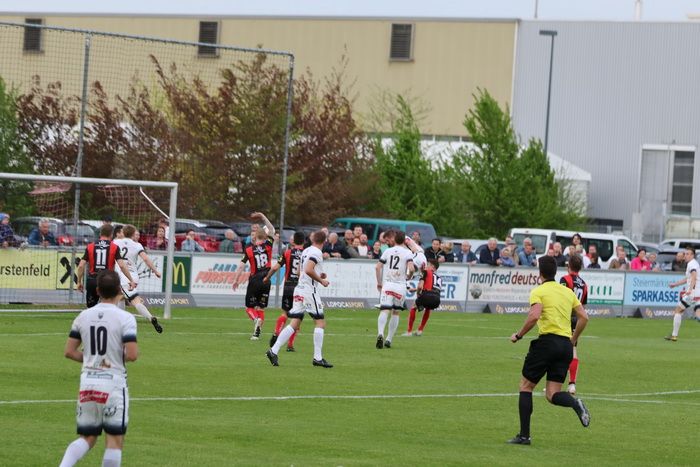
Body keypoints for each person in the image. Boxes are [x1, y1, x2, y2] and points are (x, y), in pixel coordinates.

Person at [507, 255, 590, 445]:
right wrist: (573, 339)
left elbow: (534, 316)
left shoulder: (539, 291)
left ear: (540, 273)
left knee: (526, 386)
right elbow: (584, 317)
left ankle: (524, 436)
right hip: (565, 346)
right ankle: (575, 403)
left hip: (547, 343)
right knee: (552, 394)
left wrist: (518, 335)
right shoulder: (567, 292)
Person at [59, 270, 138, 467]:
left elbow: (69, 351)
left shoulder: (83, 316)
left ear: (97, 291)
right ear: (119, 290)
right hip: (113, 383)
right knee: (114, 440)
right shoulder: (125, 318)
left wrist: (92, 360)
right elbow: (132, 354)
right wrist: (109, 359)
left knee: (87, 437)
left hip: (88, 383)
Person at [266, 230, 333, 368]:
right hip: (309, 291)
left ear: (313, 239)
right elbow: (308, 269)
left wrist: (318, 274)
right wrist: (321, 280)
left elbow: (299, 271)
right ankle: (318, 358)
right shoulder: (317, 252)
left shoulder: (306, 250)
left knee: (294, 323)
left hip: (299, 289)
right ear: (324, 241)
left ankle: (273, 350)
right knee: (320, 323)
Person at [233, 212, 276, 340]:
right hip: (267, 279)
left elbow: (241, 266)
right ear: (265, 237)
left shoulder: (249, 250)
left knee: (249, 308)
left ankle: (256, 319)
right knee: (261, 308)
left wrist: (236, 280)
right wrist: (262, 216)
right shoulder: (268, 246)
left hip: (255, 279)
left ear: (255, 237)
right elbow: (272, 229)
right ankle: (256, 334)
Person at [113, 225, 163, 333]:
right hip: (133, 276)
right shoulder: (137, 245)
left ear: (123, 232)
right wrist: (155, 271)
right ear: (133, 234)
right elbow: (145, 258)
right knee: (121, 297)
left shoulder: (116, 242)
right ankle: (121, 323)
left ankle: (150, 317)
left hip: (122, 276)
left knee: (134, 300)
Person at [76, 224, 136, 309]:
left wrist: (79, 281)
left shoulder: (90, 246)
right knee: (109, 307)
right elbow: (122, 266)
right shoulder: (114, 247)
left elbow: (81, 265)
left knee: (91, 309)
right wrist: (131, 280)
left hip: (93, 280)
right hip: (107, 281)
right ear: (111, 234)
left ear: (100, 233)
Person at [265, 231, 305, 352]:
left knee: (285, 314)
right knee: (297, 317)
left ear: (293, 241)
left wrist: (267, 277)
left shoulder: (287, 253)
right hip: (300, 288)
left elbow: (275, 267)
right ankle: (290, 345)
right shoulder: (306, 253)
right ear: (303, 241)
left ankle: (277, 332)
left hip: (288, 286)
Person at [375, 230, 415, 349]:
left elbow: (377, 267)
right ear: (404, 240)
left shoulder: (388, 251)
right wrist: (409, 276)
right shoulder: (408, 252)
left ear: (394, 239)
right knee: (395, 312)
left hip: (388, 285)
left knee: (384, 310)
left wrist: (379, 283)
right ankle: (389, 339)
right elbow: (412, 268)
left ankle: (380, 333)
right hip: (400, 286)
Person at [559, 255, 588, 396]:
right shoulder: (584, 284)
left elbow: (560, 298)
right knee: (573, 349)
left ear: (568, 265)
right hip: (576, 319)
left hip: (564, 318)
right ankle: (572, 384)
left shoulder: (565, 279)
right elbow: (583, 306)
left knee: (559, 350)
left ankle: (556, 382)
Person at [665, 247, 700, 342]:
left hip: (692, 294)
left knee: (678, 310)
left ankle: (674, 335)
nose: (685, 256)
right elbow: (687, 279)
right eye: (685, 254)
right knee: (694, 311)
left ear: (692, 255)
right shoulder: (694, 263)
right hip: (697, 293)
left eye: (688, 254)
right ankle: (674, 335)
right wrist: (675, 284)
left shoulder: (692, 264)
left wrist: (690, 290)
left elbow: (694, 276)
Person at [404, 259, 442, 336]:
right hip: (437, 300)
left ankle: (409, 332)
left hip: (427, 296)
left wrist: (418, 294)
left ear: (432, 267)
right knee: (428, 308)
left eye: (428, 265)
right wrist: (415, 289)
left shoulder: (425, 272)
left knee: (414, 307)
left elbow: (420, 286)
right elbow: (433, 288)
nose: (426, 266)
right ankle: (420, 330)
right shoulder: (439, 278)